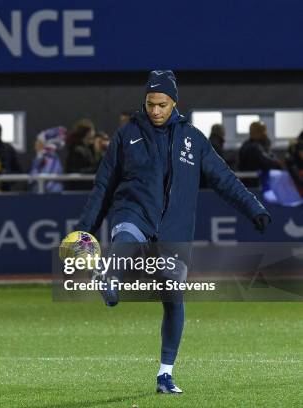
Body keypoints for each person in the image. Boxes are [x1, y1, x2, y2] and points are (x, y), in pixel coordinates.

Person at [72, 70, 271, 394]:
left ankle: (165, 374)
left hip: (174, 229)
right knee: (126, 237)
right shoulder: (127, 135)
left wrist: (254, 209)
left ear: (174, 102)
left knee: (173, 296)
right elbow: (104, 185)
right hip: (134, 211)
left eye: (162, 104)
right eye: (150, 104)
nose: (155, 111)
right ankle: (110, 279)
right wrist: (85, 230)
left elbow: (223, 178)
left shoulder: (192, 138)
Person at [29, 127, 66, 193]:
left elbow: (48, 180)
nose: (35, 144)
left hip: (49, 195)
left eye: (38, 141)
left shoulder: (50, 157)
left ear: (46, 143)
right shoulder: (39, 157)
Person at [65, 119, 97, 190]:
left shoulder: (89, 148)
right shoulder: (77, 150)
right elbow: (74, 170)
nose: (94, 133)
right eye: (93, 130)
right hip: (78, 189)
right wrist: (94, 170)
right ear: (88, 133)